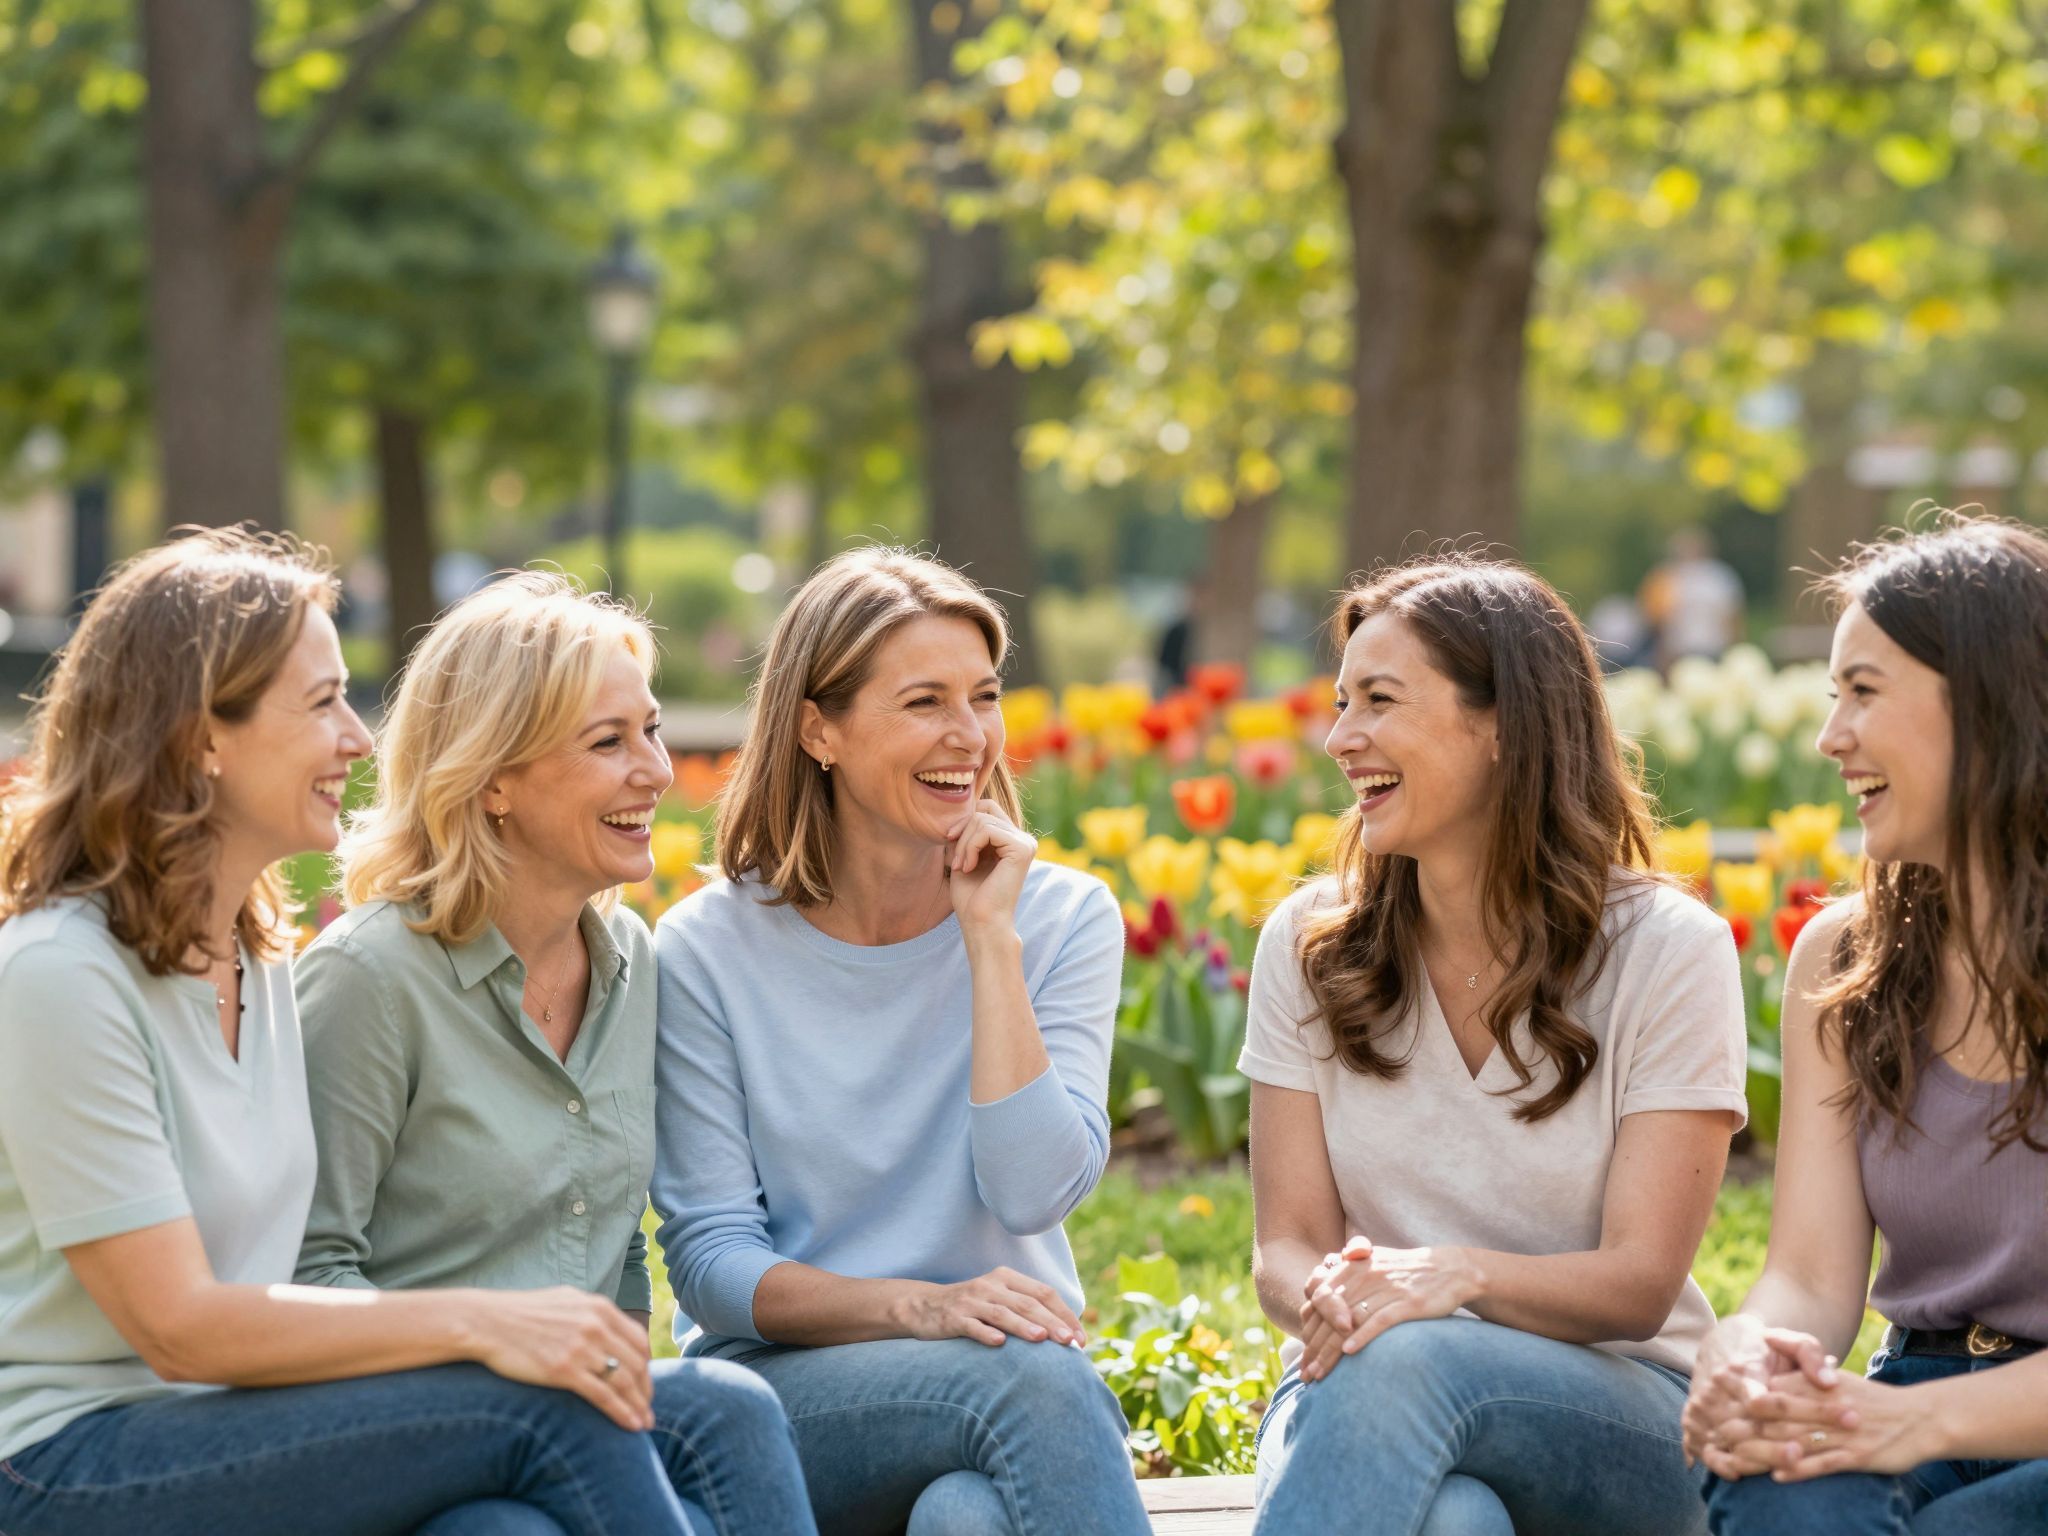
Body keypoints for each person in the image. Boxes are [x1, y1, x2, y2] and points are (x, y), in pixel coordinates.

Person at [0, 529, 701, 1536]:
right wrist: (492, 1323)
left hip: (250, 1427)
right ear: (204, 736)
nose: (361, 741)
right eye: (322, 703)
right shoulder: (60, 974)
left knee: (714, 1415)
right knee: (554, 1416)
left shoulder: (257, 957)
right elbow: (179, 1330)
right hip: (68, 1461)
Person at [294, 571, 815, 1536]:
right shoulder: (368, 980)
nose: (656, 770)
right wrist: (491, 1363)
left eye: (651, 730)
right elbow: (306, 1273)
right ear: (493, 778)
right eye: (608, 742)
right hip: (401, 1429)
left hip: (577, 1429)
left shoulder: (631, 965)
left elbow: (613, 1247)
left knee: (731, 1412)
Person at [1243, 555, 1749, 1536]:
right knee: (1454, 1523)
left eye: (1377, 702)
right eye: (1341, 703)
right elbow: (1282, 1245)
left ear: (1504, 726)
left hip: (1621, 1410)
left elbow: (1638, 1284)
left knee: (1406, 1364)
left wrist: (1451, 1278)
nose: (1340, 740)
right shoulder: (1308, 946)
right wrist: (1327, 1294)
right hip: (1360, 1389)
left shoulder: (1664, 951)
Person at [652, 547, 1152, 1535]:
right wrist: (917, 1308)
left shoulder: (1058, 919)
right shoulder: (706, 948)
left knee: (966, 1521)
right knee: (1033, 1386)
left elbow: (1032, 1192)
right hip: (788, 1399)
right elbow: (713, 1269)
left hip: (997, 1386)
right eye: (923, 701)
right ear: (817, 730)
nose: (967, 737)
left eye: (985, 696)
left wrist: (988, 944)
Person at [1684, 515, 2048, 1534]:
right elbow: (1805, 1277)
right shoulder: (1844, 962)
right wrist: (1746, 1355)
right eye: (1827, 696)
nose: (1827, 737)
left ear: (1984, 704)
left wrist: (1916, 1425)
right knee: (1783, 1491)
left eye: (1861, 692)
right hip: (1909, 1394)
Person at [1641, 527, 1745, 670]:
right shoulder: (1665, 577)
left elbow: (1732, 617)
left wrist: (1733, 651)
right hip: (1677, 651)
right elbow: (1657, 620)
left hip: (1714, 649)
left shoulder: (1720, 577)